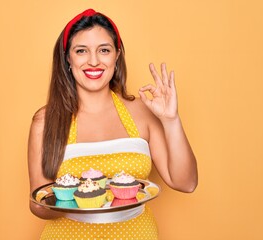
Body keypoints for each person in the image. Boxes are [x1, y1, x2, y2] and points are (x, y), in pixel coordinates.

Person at [28, 8, 198, 239]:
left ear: (117, 55)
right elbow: (39, 205)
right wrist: (84, 195)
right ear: (67, 57)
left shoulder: (142, 111)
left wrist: (171, 120)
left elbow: (185, 183)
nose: (94, 61)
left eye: (104, 50)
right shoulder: (45, 121)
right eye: (81, 51)